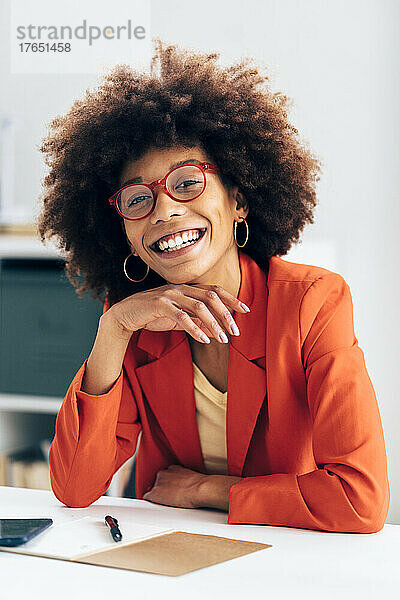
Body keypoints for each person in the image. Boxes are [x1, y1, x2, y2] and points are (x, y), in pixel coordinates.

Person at [37, 39, 390, 533]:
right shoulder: (137, 322)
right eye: (137, 199)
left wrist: (208, 491)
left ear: (239, 201)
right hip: (164, 550)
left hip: (287, 551)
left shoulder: (313, 302)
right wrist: (113, 328)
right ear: (122, 231)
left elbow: (359, 500)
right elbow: (74, 488)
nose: (164, 212)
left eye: (187, 183)